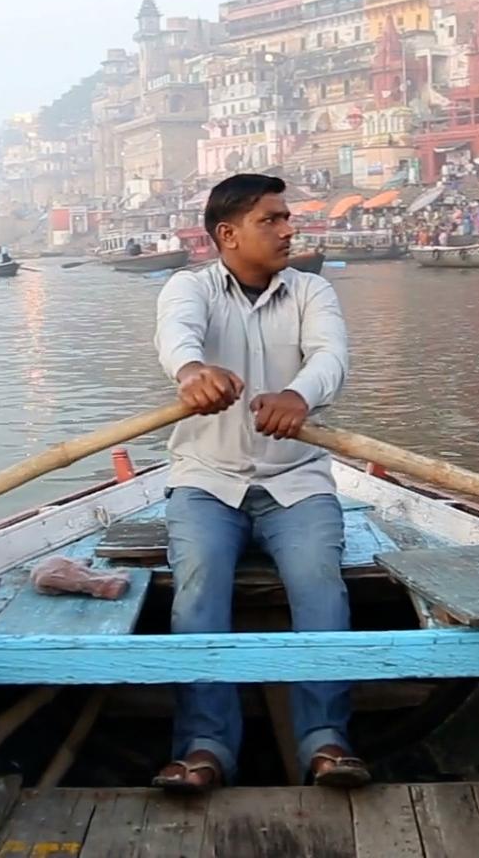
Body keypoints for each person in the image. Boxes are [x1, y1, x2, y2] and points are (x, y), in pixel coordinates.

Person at [153, 173, 368, 793]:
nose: (287, 229)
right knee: (197, 589)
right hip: (205, 481)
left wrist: (300, 396)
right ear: (227, 234)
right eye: (271, 220)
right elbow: (177, 335)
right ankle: (204, 746)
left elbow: (331, 358)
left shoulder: (311, 291)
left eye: (286, 218)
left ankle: (325, 741)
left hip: (297, 481)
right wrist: (192, 371)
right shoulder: (187, 288)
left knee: (320, 584)